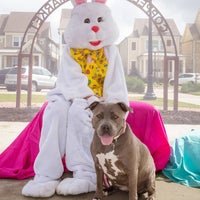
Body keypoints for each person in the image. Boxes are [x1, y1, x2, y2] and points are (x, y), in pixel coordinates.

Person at [22, 0, 129, 197]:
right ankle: (45, 176)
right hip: (68, 93)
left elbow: (116, 81)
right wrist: (86, 96)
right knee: (55, 111)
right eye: (87, 21)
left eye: (98, 21)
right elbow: (71, 79)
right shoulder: (70, 51)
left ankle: (86, 174)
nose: (94, 28)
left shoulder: (110, 52)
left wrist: (111, 104)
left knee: (80, 113)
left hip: (99, 98)